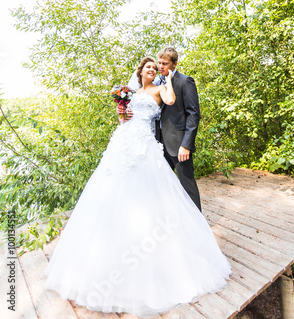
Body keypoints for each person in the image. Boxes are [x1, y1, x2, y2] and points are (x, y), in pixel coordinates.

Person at [44, 57, 231, 317]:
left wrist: (165, 83)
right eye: (148, 68)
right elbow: (122, 119)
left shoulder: (160, 88)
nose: (152, 70)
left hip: (145, 146)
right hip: (123, 141)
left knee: (152, 195)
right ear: (140, 71)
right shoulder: (130, 92)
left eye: (156, 68)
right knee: (112, 192)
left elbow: (170, 102)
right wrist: (122, 111)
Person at [122, 47, 202, 211]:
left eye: (164, 64)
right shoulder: (156, 83)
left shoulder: (185, 81)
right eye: (159, 63)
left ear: (174, 64)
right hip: (156, 143)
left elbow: (193, 115)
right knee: (159, 185)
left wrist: (186, 145)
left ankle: (198, 223)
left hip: (178, 144)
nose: (160, 67)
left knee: (187, 184)